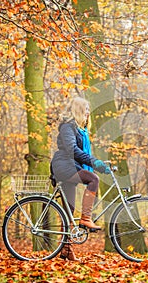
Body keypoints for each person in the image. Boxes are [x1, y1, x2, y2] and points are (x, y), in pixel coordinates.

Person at [50, 96, 110, 260]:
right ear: (78, 110)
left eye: (89, 110)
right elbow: (73, 150)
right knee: (93, 180)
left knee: (68, 211)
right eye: (85, 110)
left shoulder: (80, 130)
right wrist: (94, 163)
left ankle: (66, 250)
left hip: (71, 166)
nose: (88, 113)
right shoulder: (67, 127)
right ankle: (85, 219)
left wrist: (98, 162)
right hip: (64, 165)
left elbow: (82, 152)